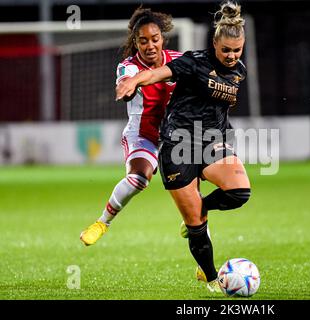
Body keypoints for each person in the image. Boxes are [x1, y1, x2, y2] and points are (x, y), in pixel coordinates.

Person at [116, 1, 251, 293]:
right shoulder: (193, 61)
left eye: (237, 50)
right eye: (226, 49)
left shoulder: (239, 70)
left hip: (213, 141)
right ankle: (212, 277)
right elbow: (154, 74)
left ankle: (199, 208)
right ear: (215, 43)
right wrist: (134, 81)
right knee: (196, 227)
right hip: (177, 144)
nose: (231, 55)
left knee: (240, 192)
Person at [80, 6, 182, 246]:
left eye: (154, 39)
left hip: (176, 137)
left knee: (192, 196)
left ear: (162, 39)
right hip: (142, 134)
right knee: (140, 178)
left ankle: (203, 262)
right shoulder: (129, 67)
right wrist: (127, 88)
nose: (150, 46)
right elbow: (125, 84)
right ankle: (102, 222)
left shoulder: (178, 60)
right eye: (143, 41)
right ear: (135, 42)